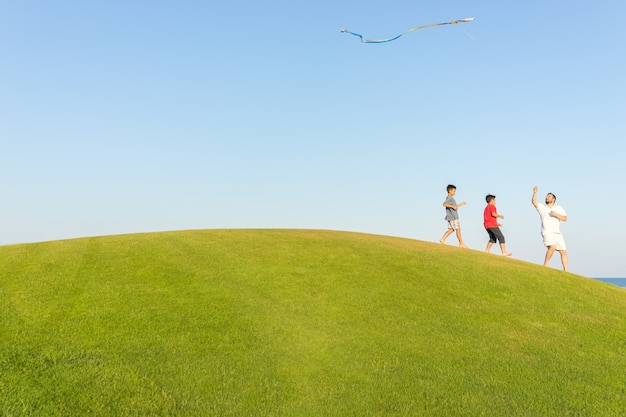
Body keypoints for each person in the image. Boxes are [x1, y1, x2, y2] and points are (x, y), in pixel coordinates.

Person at [531, 186, 568, 271]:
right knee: (552, 247)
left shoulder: (558, 208)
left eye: (549, 196)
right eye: (546, 196)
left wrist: (556, 215)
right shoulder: (542, 207)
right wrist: (535, 193)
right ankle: (545, 265)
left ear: (553, 199)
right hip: (547, 231)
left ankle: (566, 271)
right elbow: (534, 202)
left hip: (557, 232)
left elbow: (565, 218)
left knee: (563, 252)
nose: (547, 197)